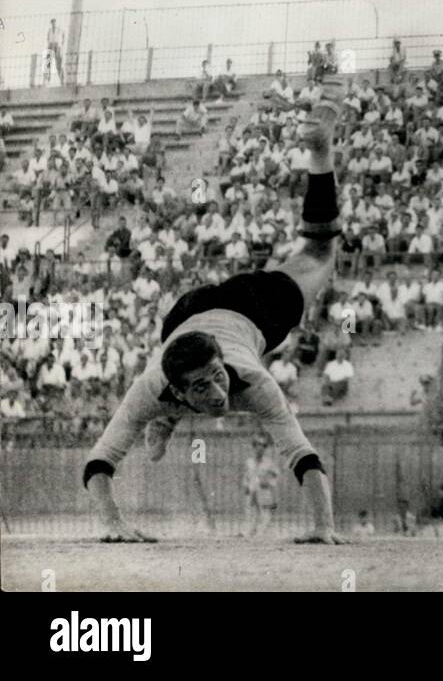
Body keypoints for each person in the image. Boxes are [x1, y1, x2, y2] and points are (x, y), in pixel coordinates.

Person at [81, 76, 348, 543]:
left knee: (321, 253)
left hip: (247, 312)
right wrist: (113, 524)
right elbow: (99, 461)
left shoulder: (254, 382)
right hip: (184, 321)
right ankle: (165, 419)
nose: (218, 391)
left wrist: (323, 527)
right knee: (148, 405)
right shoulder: (152, 384)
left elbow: (301, 454)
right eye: (202, 388)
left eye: (216, 376)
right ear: (180, 391)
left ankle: (319, 152)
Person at [241, 433, 280, 537]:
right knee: (251, 512)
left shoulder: (269, 463)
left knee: (265, 514)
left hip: (264, 491)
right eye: (258, 445)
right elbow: (246, 476)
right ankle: (249, 533)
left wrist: (269, 483)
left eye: (264, 446)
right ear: (254, 446)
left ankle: (262, 535)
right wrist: (245, 485)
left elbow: (275, 476)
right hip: (252, 490)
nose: (261, 448)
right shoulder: (249, 462)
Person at [45, 19, 65, 85]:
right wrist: (49, 44)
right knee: (48, 62)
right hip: (51, 45)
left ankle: (62, 79)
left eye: (54, 22)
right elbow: (48, 38)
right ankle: (48, 78)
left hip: (57, 46)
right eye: (52, 22)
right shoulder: (49, 30)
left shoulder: (59, 29)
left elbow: (63, 36)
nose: (53, 24)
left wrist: (61, 44)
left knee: (58, 64)